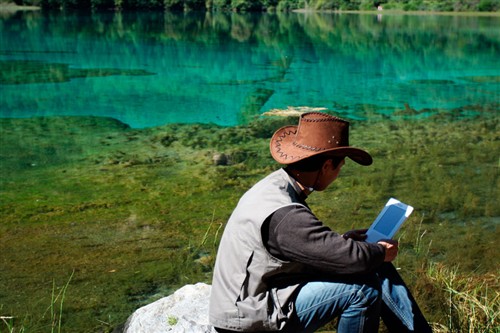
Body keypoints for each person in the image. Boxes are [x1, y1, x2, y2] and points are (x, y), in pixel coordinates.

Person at [209, 112, 431, 333]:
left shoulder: (276, 186)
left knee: (371, 263)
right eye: (340, 166)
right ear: (326, 167)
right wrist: (380, 253)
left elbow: (300, 246)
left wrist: (350, 244)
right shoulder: (286, 214)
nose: (338, 174)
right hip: (248, 316)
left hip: (261, 294)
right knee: (362, 289)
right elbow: (337, 252)